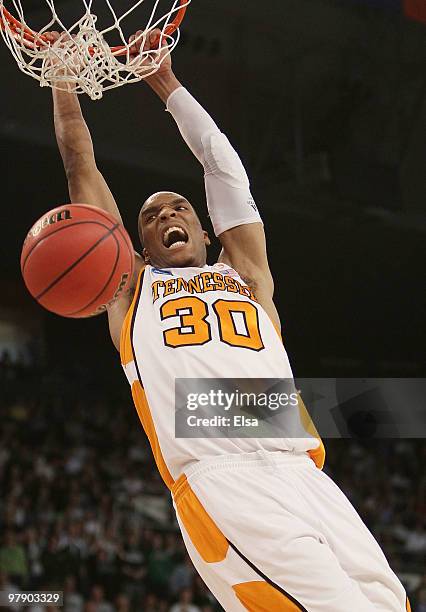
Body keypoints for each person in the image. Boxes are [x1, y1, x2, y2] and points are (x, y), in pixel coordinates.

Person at [47, 28, 409, 612]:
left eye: (179, 206)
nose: (167, 213)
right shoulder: (130, 287)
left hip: (303, 471)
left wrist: (166, 84)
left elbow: (222, 164)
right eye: (151, 215)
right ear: (137, 241)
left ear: (204, 228)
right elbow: (79, 160)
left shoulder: (246, 274)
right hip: (223, 481)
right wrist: (63, 82)